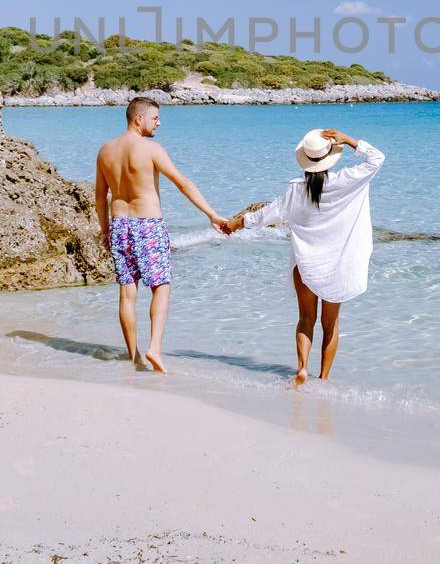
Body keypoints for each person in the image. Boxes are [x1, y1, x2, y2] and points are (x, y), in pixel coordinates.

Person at [226, 127, 384, 387]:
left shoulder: (296, 188)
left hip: (305, 264)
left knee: (306, 319)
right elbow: (376, 158)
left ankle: (301, 369)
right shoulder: (347, 181)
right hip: (338, 266)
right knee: (330, 324)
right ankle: (322, 379)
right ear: (331, 156)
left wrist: (235, 223)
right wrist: (349, 140)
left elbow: (268, 214)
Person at [94, 96, 229, 371]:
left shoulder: (105, 151)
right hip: (148, 225)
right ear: (138, 118)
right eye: (155, 117)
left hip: (120, 225)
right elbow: (183, 183)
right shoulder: (151, 149)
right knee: (161, 287)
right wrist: (211, 214)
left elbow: (100, 196)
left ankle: (133, 357)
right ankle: (154, 348)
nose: (159, 122)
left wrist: (105, 229)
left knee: (127, 292)